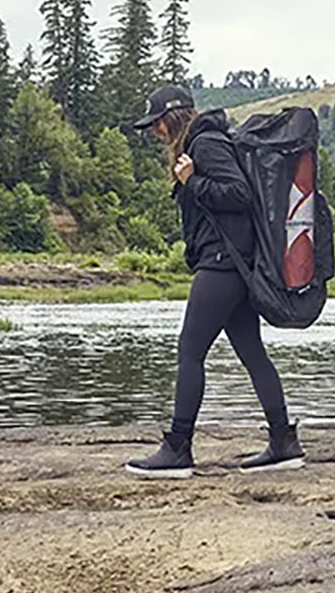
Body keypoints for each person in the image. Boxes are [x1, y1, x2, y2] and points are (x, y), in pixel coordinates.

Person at [124, 85, 303, 478]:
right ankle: (283, 442)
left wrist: (192, 181)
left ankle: (178, 449)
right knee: (252, 353)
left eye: (157, 123)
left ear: (173, 117)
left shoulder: (205, 144)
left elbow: (238, 194)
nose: (155, 132)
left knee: (190, 351)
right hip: (233, 265)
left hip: (223, 264)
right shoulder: (204, 142)